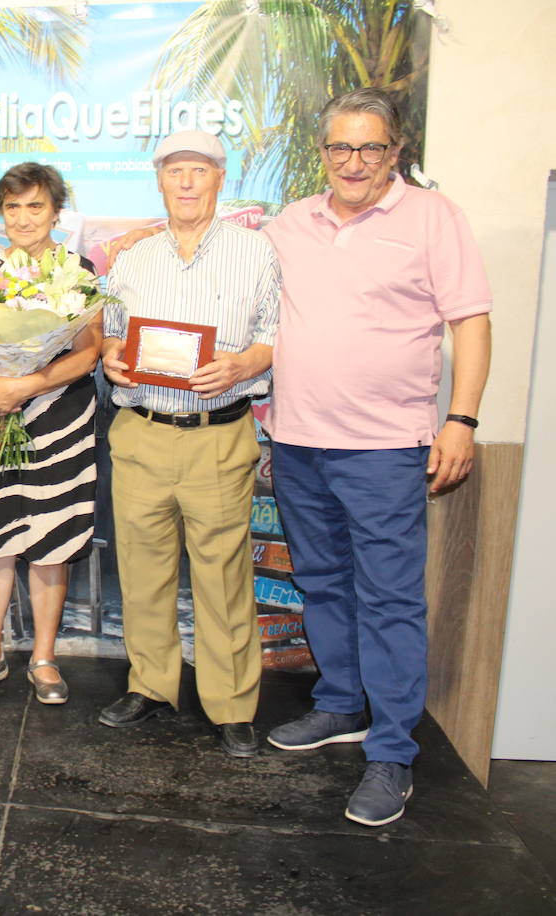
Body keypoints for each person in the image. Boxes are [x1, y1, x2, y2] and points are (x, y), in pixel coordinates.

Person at [262, 89, 491, 826]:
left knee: (390, 599)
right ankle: (339, 705)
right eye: (339, 148)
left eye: (370, 148)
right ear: (322, 152)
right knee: (323, 582)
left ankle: (393, 752)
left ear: (394, 151)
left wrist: (461, 418)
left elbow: (471, 323)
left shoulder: (433, 217)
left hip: (387, 448)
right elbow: (226, 261)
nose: (353, 162)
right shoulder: (293, 221)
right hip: (297, 439)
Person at [98, 131, 280, 757]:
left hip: (218, 436)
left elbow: (273, 336)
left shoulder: (256, 252)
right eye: (175, 171)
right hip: (142, 431)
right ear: (159, 180)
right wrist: (114, 361)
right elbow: (112, 337)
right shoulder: (133, 259)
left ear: (219, 179)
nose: (186, 182)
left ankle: (231, 705)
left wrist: (241, 365)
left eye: (198, 171)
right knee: (143, 572)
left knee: (223, 575)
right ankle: (150, 685)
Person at [0, 162, 101, 705]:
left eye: (35, 206)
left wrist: (30, 383)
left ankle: (43, 658)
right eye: (13, 207)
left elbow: (89, 352)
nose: (24, 217)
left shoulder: (79, 272)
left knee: (51, 540)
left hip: (58, 419)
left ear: (56, 213)